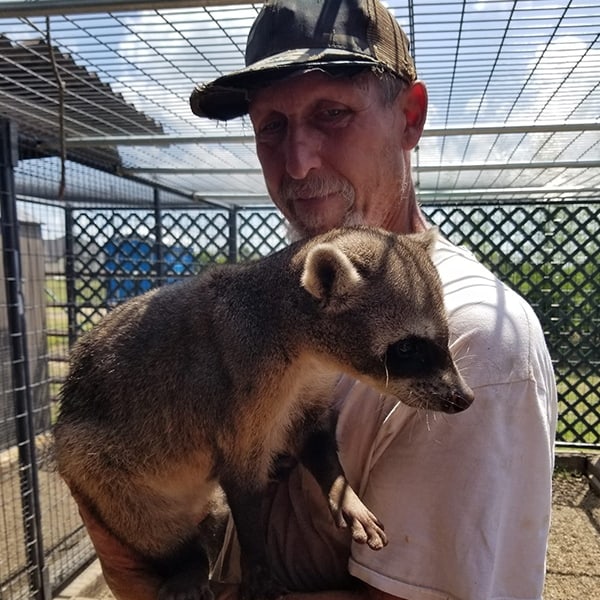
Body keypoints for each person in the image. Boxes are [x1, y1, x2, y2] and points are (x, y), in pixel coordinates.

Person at [72, 1, 558, 599]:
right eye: (270, 127)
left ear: (410, 117)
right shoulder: (285, 303)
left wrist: (132, 577)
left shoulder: (478, 336)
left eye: (333, 113)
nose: (297, 163)